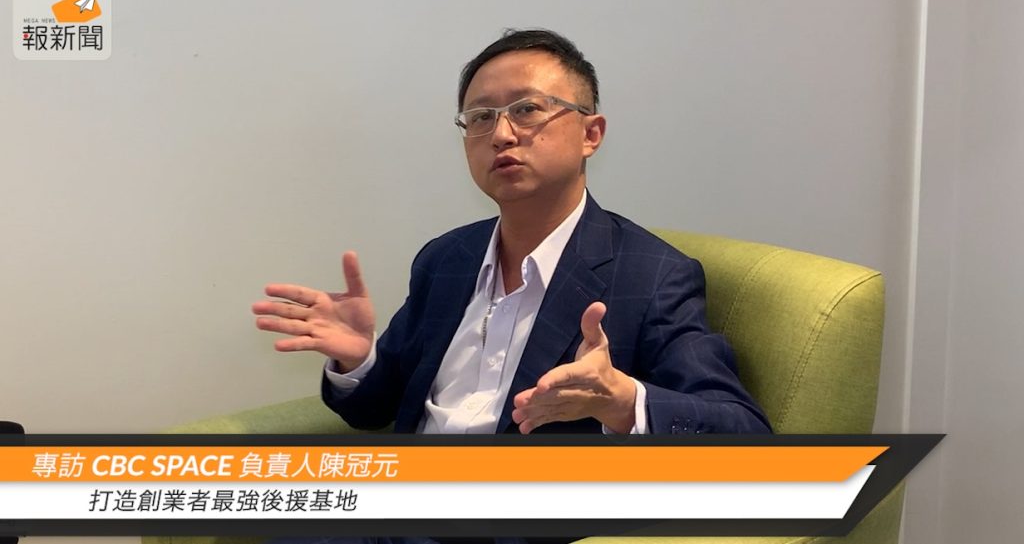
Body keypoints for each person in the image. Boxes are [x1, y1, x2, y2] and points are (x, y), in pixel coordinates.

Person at [252, 29, 770, 440]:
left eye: (526, 110)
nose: (501, 134)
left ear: (591, 134)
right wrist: (359, 359)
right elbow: (375, 411)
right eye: (481, 117)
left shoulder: (652, 275)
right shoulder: (446, 258)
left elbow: (743, 433)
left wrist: (623, 402)